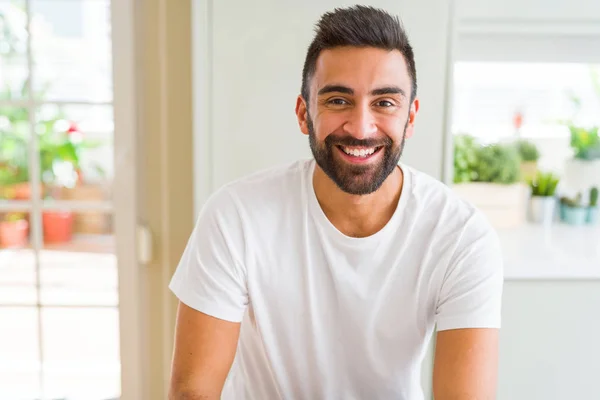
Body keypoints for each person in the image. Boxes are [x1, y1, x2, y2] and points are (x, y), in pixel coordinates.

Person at [168, 5, 503, 400]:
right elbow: (193, 391)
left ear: (410, 117)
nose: (361, 128)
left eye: (384, 103)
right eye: (339, 101)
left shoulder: (462, 236)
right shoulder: (235, 216)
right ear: (304, 113)